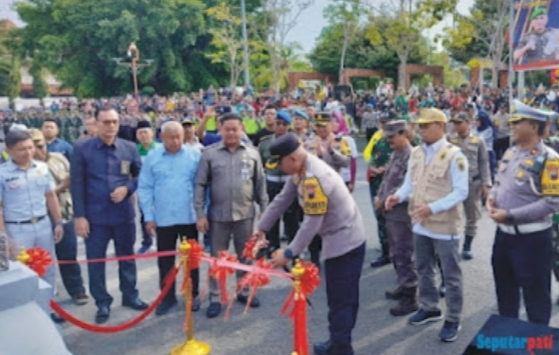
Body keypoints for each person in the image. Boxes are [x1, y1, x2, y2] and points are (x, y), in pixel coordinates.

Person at [255, 133, 366, 355]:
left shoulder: (315, 176)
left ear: (293, 158)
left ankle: (342, 349)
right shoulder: (302, 169)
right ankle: (338, 342)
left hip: (345, 243)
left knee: (341, 301)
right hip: (337, 239)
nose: (279, 169)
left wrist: (288, 252)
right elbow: (282, 199)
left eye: (281, 164)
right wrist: (261, 227)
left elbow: (311, 223)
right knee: (339, 300)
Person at [385, 108, 468, 342]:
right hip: (420, 222)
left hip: (444, 224)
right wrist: (397, 196)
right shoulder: (418, 153)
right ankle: (430, 307)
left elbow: (461, 192)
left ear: (440, 126)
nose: (420, 130)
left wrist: (434, 207)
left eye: (425, 126)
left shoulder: (455, 155)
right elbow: (410, 184)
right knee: (423, 267)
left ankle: (453, 317)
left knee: (451, 275)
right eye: (419, 126)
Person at [71, 108, 148, 324]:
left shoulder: (129, 147)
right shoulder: (82, 149)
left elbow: (141, 175)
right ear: (96, 123)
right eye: (105, 122)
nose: (111, 126)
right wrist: (79, 216)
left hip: (123, 214)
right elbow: (76, 183)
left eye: (114, 121)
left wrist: (128, 188)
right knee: (96, 262)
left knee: (127, 258)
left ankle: (130, 295)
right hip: (94, 218)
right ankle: (102, 302)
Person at [488, 100, 559, 325]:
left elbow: (552, 203)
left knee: (536, 300)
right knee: (505, 296)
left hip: (532, 240)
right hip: (504, 236)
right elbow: (499, 182)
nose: (512, 125)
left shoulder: (550, 159)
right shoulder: (510, 152)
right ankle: (511, 344)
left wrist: (509, 215)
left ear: (534, 126)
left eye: (518, 122)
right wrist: (492, 196)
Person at [194, 112, 268, 319]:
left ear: (242, 129)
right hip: (217, 216)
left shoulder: (252, 153)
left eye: (235, 129)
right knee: (217, 259)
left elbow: (260, 183)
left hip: (245, 214)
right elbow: (200, 184)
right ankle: (216, 298)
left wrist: (265, 209)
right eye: (227, 129)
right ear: (220, 130)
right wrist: (200, 213)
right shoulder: (209, 154)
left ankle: (244, 291)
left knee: (246, 256)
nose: (231, 133)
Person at [0, 129, 65, 322]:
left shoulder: (41, 167)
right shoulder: (2, 174)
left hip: (43, 224)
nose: (28, 152)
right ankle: (27, 313)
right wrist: (4, 238)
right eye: (21, 149)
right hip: (17, 230)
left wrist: (58, 221)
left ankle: (49, 307)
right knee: (21, 271)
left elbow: (50, 195)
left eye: (30, 147)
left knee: (47, 267)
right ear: (9, 150)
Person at [138, 121, 201, 316]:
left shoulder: (194, 155)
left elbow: (201, 187)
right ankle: (167, 297)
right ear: (161, 138)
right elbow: (145, 188)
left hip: (189, 217)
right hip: (163, 218)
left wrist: (202, 214)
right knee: (165, 260)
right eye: (170, 137)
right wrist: (148, 217)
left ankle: (193, 294)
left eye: (178, 137)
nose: (175, 141)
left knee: (192, 259)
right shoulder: (152, 158)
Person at [30, 129, 89, 308]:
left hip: (64, 214)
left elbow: (73, 180)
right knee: (39, 260)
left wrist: (55, 191)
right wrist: (57, 189)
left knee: (68, 255)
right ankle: (44, 297)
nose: (35, 150)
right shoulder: (23, 168)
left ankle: (77, 289)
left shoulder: (59, 158)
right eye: (31, 147)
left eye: (39, 146)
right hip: (36, 220)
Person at [375, 120, 418, 316]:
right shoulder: (397, 153)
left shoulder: (412, 156)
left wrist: (384, 199)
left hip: (402, 213)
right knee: (395, 252)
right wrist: (379, 196)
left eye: (392, 136)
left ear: (404, 134)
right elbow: (386, 179)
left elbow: (406, 186)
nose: (389, 140)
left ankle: (411, 296)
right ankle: (403, 285)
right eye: (387, 136)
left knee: (404, 254)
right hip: (390, 211)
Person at [303, 112, 351, 266]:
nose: (322, 130)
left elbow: (346, 162)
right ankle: (315, 258)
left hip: (334, 190)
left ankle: (337, 254)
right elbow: (303, 165)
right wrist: (315, 156)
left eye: (324, 126)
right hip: (315, 190)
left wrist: (332, 152)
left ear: (331, 125)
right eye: (318, 126)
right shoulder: (308, 143)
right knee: (314, 224)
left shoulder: (340, 141)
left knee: (337, 223)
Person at [448, 113, 491, 260]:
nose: (457, 126)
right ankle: (451, 245)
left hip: (473, 182)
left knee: (472, 215)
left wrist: (486, 184)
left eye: (460, 123)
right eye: (455, 123)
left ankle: (467, 246)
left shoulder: (478, 141)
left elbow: (484, 163)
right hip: (454, 183)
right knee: (452, 215)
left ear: (468, 123)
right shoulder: (450, 140)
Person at [258, 111, 299, 252]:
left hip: (291, 183)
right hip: (272, 183)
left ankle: (293, 250)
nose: (281, 127)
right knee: (272, 217)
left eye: (284, 124)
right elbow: (261, 165)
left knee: (292, 219)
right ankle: (272, 247)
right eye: (278, 123)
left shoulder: (294, 141)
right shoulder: (265, 143)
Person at [364, 110, 396, 268]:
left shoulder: (401, 141)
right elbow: (369, 159)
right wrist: (374, 169)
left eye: (387, 123)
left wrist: (388, 169)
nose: (383, 126)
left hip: (394, 187)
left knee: (397, 221)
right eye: (382, 123)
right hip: (376, 184)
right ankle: (386, 252)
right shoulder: (378, 139)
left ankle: (399, 254)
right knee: (381, 219)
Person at [135, 120, 161, 254]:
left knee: (161, 214)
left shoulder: (160, 148)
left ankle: (161, 241)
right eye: (140, 133)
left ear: (152, 134)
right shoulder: (134, 150)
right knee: (144, 214)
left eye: (146, 132)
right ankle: (147, 242)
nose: (143, 135)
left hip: (160, 187)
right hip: (142, 189)